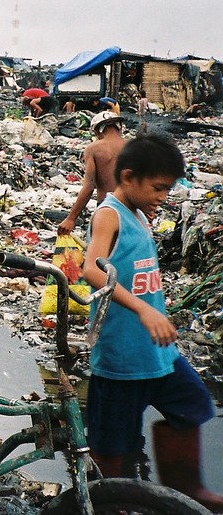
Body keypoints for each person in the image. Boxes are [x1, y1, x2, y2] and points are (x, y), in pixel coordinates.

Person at [82, 134, 222, 511]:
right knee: (113, 446)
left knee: (192, 405)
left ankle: (184, 489)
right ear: (128, 177)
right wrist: (144, 310)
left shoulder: (141, 215)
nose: (164, 196)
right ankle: (111, 503)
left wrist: (156, 308)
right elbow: (92, 270)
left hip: (158, 354)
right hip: (121, 359)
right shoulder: (108, 215)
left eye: (168, 189)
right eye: (158, 188)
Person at [57, 111, 127, 236]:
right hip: (132, 209)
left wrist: (71, 218)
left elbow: (89, 186)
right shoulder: (133, 147)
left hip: (107, 207)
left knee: (102, 252)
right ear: (120, 126)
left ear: (97, 131)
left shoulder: (94, 149)